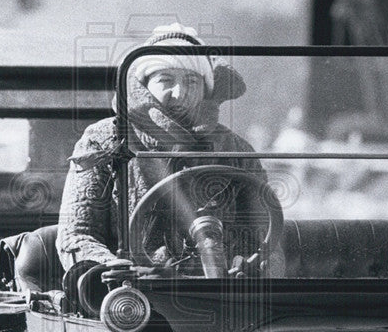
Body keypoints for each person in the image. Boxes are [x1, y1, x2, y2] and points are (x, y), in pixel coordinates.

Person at [57, 23, 282, 281]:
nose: (180, 93)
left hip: (221, 298)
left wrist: (250, 262)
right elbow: (77, 235)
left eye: (191, 81)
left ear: (206, 89)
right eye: (165, 80)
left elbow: (265, 235)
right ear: (144, 86)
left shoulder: (235, 150)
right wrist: (114, 269)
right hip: (133, 301)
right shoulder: (104, 140)